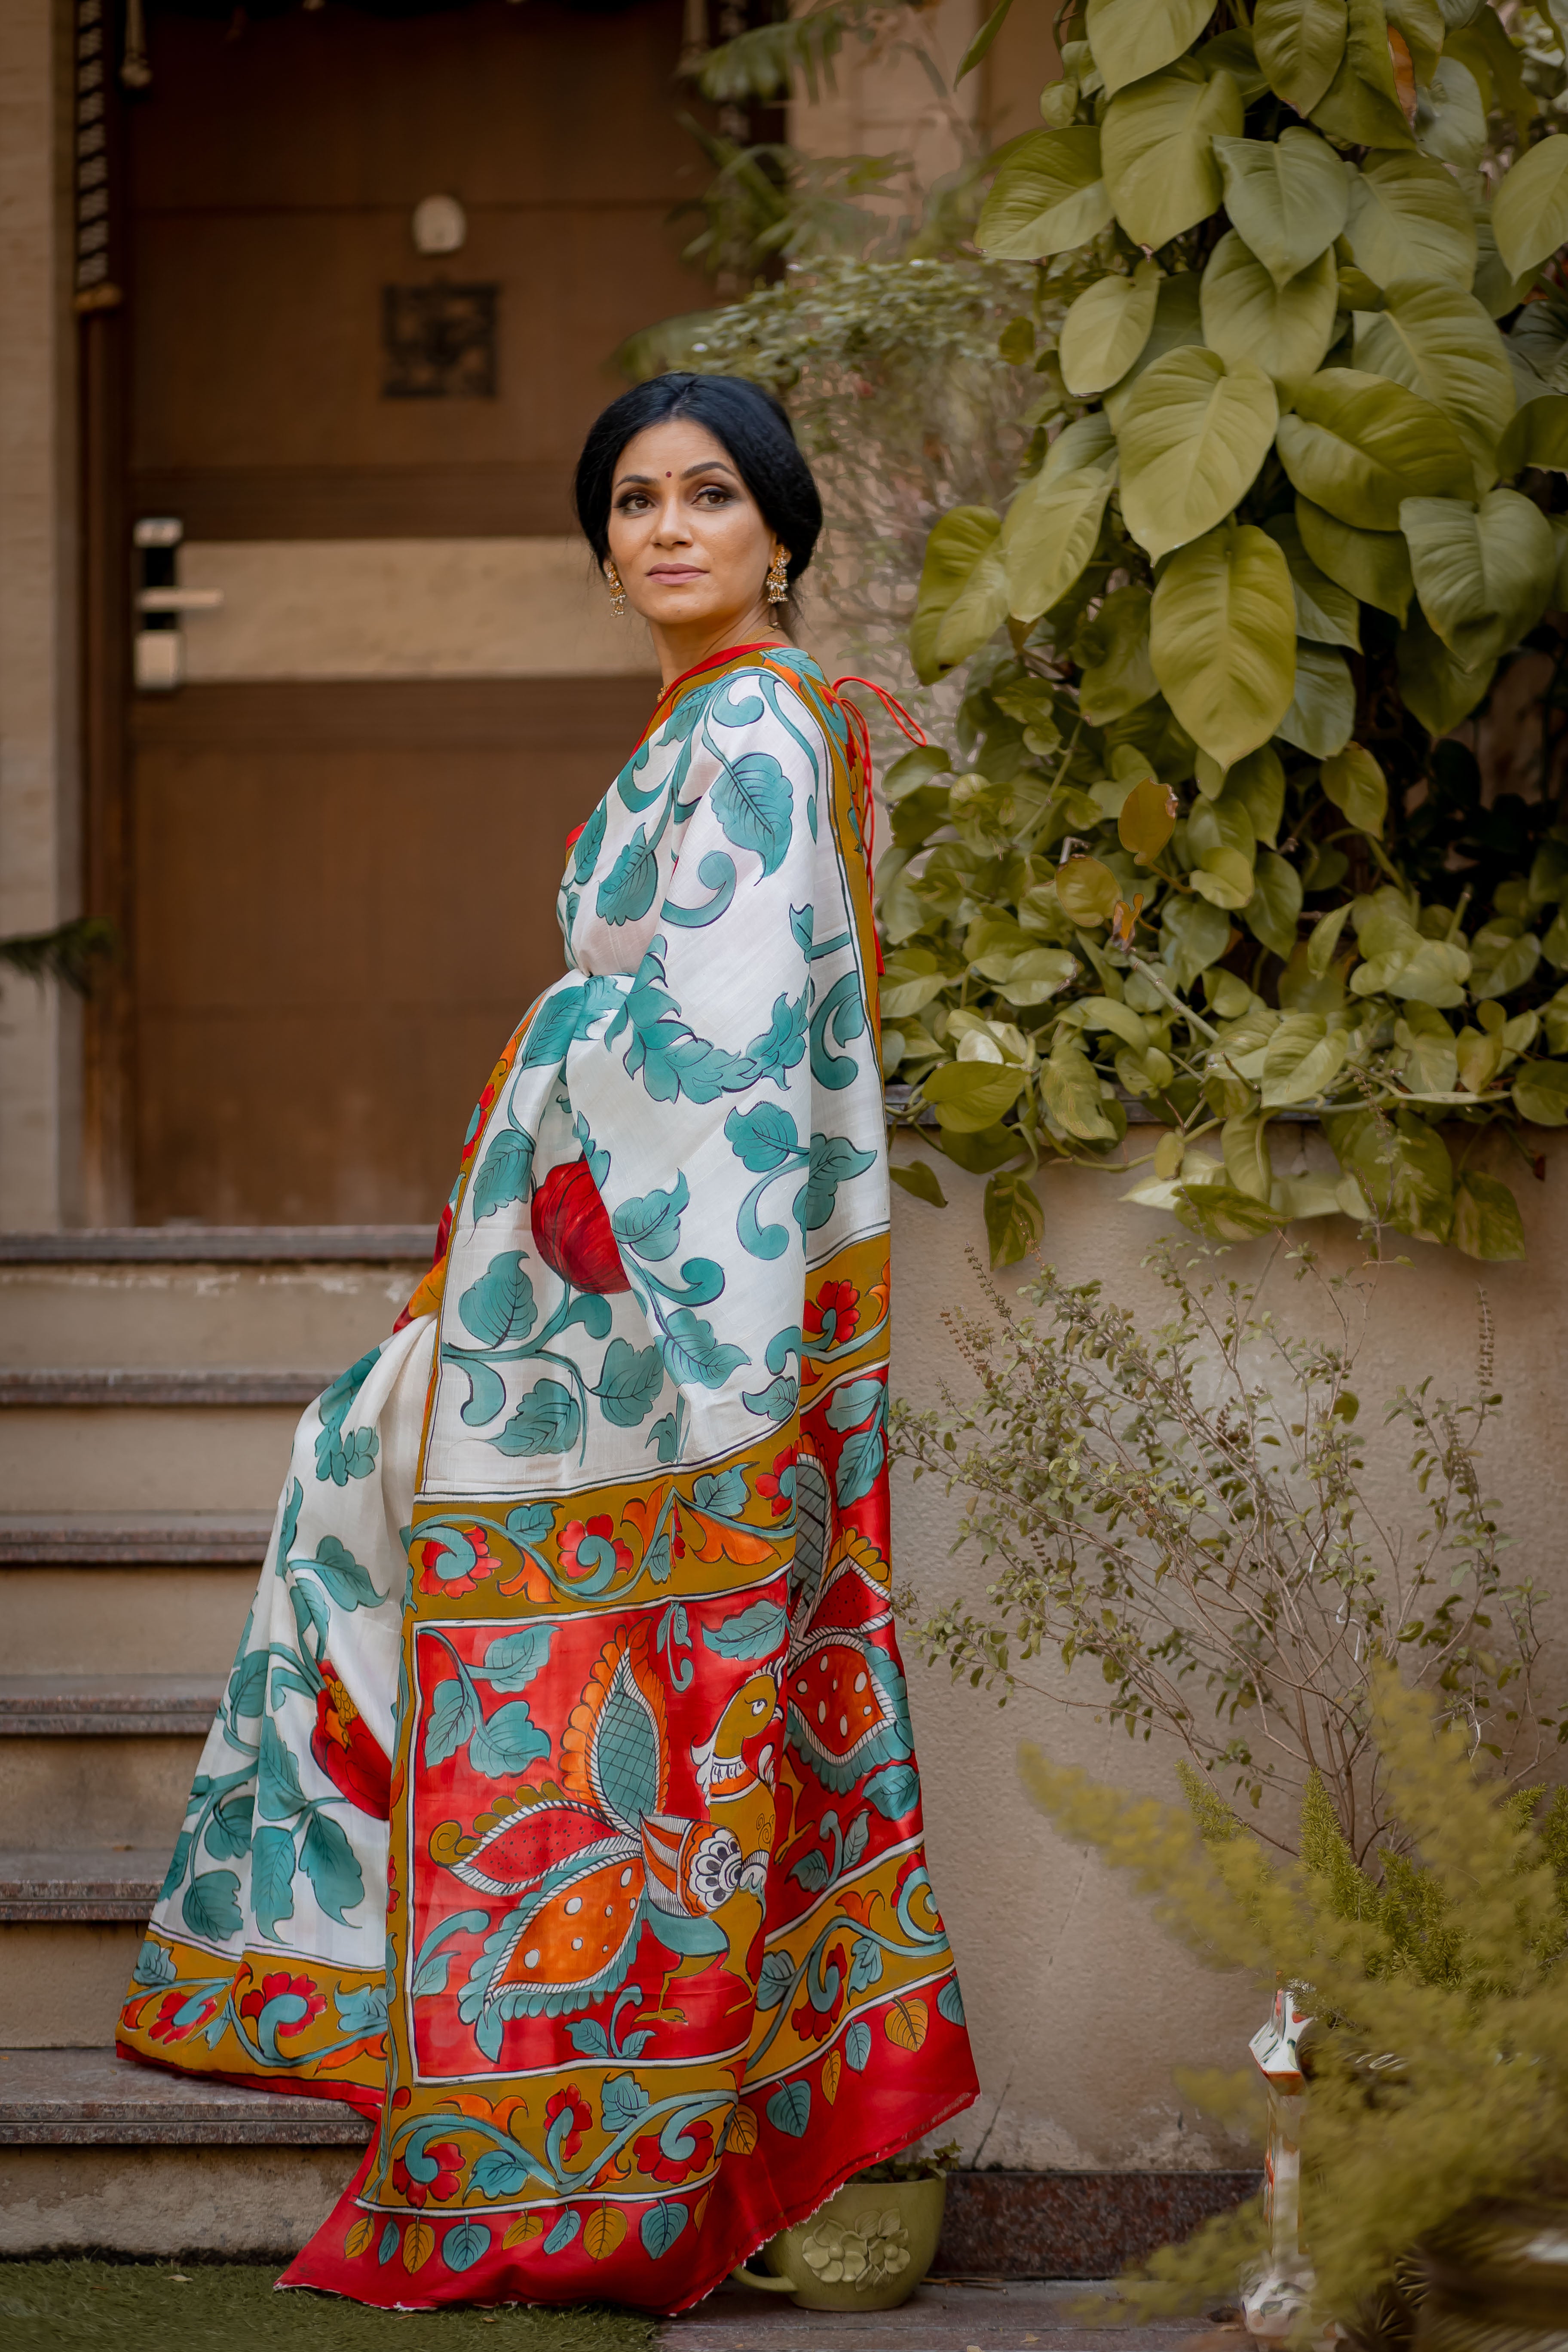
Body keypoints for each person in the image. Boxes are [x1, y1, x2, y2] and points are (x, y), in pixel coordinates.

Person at [117, 373, 978, 2313]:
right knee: (388, 1508)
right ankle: (593, 2095)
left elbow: (730, 1041)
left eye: (711, 496)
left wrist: (571, 1108)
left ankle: (626, 2134)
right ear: (604, 550)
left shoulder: (757, 723)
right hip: (600, 1288)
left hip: (660, 1305)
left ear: (782, 530)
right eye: (635, 502)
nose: (669, 528)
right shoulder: (724, 724)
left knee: (404, 1524)